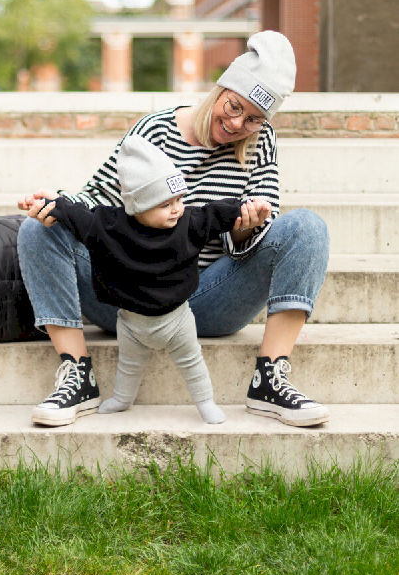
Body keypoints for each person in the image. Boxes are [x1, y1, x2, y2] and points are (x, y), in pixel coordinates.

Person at [17, 30, 330, 429]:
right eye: (234, 106)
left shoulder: (260, 141)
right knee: (38, 230)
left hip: (208, 299)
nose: (237, 123)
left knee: (308, 228)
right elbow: (98, 198)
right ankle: (78, 376)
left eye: (254, 119)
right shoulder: (156, 130)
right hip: (128, 297)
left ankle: (269, 379)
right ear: (220, 89)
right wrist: (57, 203)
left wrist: (244, 229)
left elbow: (262, 234)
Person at [28, 136, 253, 425]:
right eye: (165, 204)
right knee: (129, 365)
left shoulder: (188, 222)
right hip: (131, 323)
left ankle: (205, 402)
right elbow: (78, 216)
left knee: (192, 363)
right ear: (137, 206)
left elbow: (215, 214)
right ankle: (123, 399)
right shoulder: (109, 225)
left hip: (178, 320)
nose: (176, 208)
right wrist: (53, 205)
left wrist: (244, 207)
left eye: (179, 199)